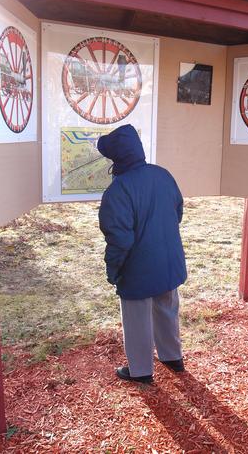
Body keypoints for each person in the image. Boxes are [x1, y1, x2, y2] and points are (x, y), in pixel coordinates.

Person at [97, 124, 187, 384]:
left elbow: (119, 240)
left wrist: (113, 270)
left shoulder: (117, 191)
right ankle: (172, 357)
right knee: (167, 308)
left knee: (137, 320)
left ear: (116, 158)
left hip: (138, 269)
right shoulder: (162, 174)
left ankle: (140, 371)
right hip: (169, 260)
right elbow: (177, 212)